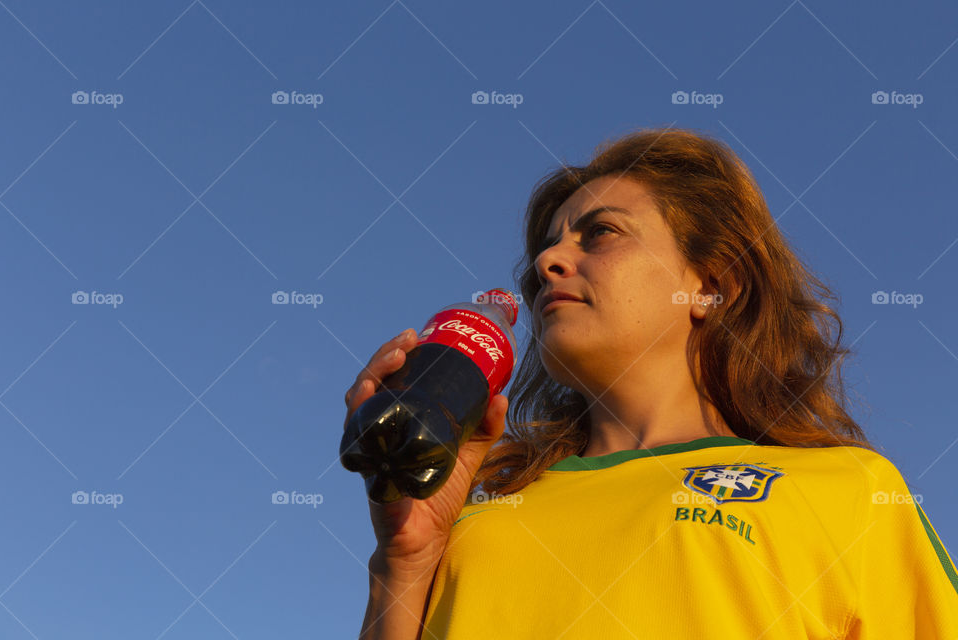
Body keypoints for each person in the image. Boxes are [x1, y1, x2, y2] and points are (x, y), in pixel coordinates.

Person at [345, 128, 958, 639]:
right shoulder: (472, 510)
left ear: (712, 286)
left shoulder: (851, 492)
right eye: (549, 245)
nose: (548, 261)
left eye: (601, 233)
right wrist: (404, 561)